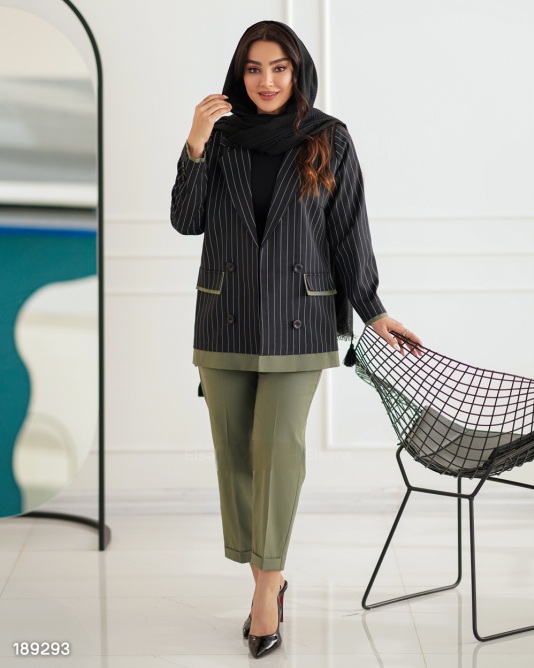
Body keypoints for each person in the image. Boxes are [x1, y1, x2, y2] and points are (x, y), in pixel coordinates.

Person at [170, 19, 422, 659]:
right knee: (235, 455)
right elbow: (186, 220)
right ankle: (266, 576)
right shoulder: (220, 136)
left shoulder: (328, 138)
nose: (267, 81)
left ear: (298, 70)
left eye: (279, 68)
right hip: (224, 318)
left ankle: (267, 587)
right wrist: (194, 144)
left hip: (298, 319)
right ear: (239, 74)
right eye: (254, 68)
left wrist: (373, 310)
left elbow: (348, 230)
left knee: (277, 451)